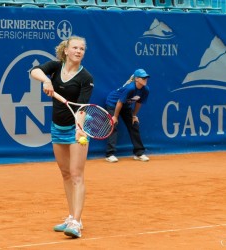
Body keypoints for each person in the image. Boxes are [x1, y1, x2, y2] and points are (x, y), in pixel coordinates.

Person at [30, 36, 94, 238]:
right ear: (66, 50)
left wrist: (79, 128)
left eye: (82, 48)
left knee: (76, 175)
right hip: (57, 128)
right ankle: (72, 216)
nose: (78, 51)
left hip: (76, 129)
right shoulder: (55, 67)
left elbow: (82, 107)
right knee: (66, 174)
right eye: (75, 47)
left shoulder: (86, 78)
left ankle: (76, 222)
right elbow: (34, 71)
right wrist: (47, 80)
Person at [105, 69, 150, 163]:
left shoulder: (146, 89)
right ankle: (110, 154)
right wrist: (115, 117)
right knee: (113, 125)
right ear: (137, 79)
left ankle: (139, 153)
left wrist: (134, 115)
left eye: (146, 77)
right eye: (143, 77)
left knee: (134, 125)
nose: (146, 79)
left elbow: (139, 102)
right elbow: (119, 102)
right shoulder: (131, 88)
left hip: (125, 105)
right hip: (113, 103)